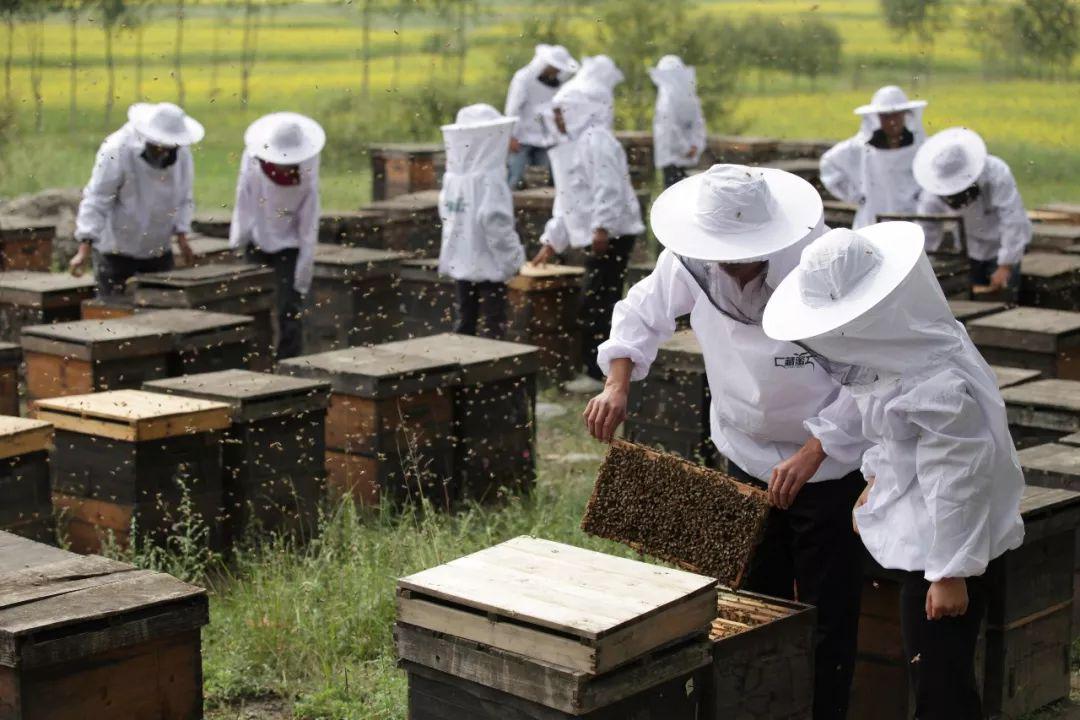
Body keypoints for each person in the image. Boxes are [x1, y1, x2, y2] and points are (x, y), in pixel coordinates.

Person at [584, 164, 869, 720]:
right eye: (725, 252)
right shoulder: (688, 259)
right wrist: (616, 383)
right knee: (750, 606)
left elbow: (871, 373)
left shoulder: (829, 259)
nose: (734, 265)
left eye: (747, 251)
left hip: (827, 464)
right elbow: (639, 315)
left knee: (827, 612)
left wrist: (816, 450)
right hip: (743, 451)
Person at [762, 221, 1025, 720]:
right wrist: (878, 479)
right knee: (934, 673)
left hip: (946, 550)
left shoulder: (935, 382)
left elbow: (957, 478)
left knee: (941, 687)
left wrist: (950, 573)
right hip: (935, 540)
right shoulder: (904, 354)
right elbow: (887, 427)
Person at [531, 71, 644, 395]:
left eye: (561, 111)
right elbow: (571, 198)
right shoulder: (580, 142)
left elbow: (607, 188)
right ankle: (600, 371)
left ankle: (599, 374)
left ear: (579, 109)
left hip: (611, 235)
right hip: (603, 233)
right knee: (596, 302)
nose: (557, 118)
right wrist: (552, 241)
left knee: (598, 304)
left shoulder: (597, 140)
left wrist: (601, 227)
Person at [70, 102, 203, 294]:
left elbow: (184, 195)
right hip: (116, 250)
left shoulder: (182, 152)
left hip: (158, 248)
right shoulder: (116, 149)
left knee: (160, 314)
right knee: (115, 314)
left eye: (170, 148)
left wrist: (182, 237)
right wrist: (84, 249)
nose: (165, 152)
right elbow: (98, 198)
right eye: (159, 147)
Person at [229, 112, 324, 360]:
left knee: (288, 309)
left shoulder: (308, 171)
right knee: (251, 305)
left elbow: (308, 227)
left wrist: (302, 275)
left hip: (290, 246)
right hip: (256, 238)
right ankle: (253, 362)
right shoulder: (252, 161)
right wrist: (238, 242)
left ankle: (288, 365)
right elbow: (243, 201)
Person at [438, 104, 526, 338]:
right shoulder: (490, 179)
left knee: (465, 319)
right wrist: (513, 259)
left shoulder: (453, 177)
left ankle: (460, 371)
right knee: (494, 324)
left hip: (462, 262)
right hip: (490, 265)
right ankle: (490, 373)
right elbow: (495, 223)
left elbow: (446, 216)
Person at [913, 127, 1031, 296]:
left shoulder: (996, 173)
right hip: (969, 248)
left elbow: (1012, 218)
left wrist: (1006, 265)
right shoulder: (931, 194)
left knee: (1003, 303)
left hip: (1003, 245)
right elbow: (926, 232)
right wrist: (921, 272)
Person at [820, 85, 927, 229]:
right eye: (886, 116)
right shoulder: (862, 148)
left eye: (896, 115)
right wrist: (855, 194)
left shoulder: (920, 149)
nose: (892, 122)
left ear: (905, 114)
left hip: (911, 223)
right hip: (870, 222)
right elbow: (829, 163)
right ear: (877, 117)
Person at [505, 44, 580, 189]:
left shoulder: (557, 82)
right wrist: (510, 136)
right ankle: (509, 208)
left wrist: (563, 132)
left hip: (546, 138)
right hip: (521, 138)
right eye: (555, 67)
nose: (557, 71)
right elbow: (512, 109)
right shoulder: (523, 78)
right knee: (515, 178)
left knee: (556, 178)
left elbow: (557, 108)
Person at [649, 55, 706, 188]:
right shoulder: (688, 93)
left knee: (674, 201)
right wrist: (694, 146)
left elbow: (668, 128)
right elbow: (698, 124)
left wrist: (686, 149)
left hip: (673, 159)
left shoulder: (667, 96)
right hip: (687, 158)